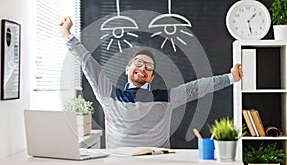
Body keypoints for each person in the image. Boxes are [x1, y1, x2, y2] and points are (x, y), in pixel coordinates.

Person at [59, 17, 243, 148]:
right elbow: (88, 63)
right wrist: (68, 35)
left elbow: (198, 88)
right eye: (138, 63)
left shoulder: (166, 97)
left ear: (152, 77)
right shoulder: (108, 93)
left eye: (149, 66)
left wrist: (230, 77)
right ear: (127, 69)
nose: (143, 68)